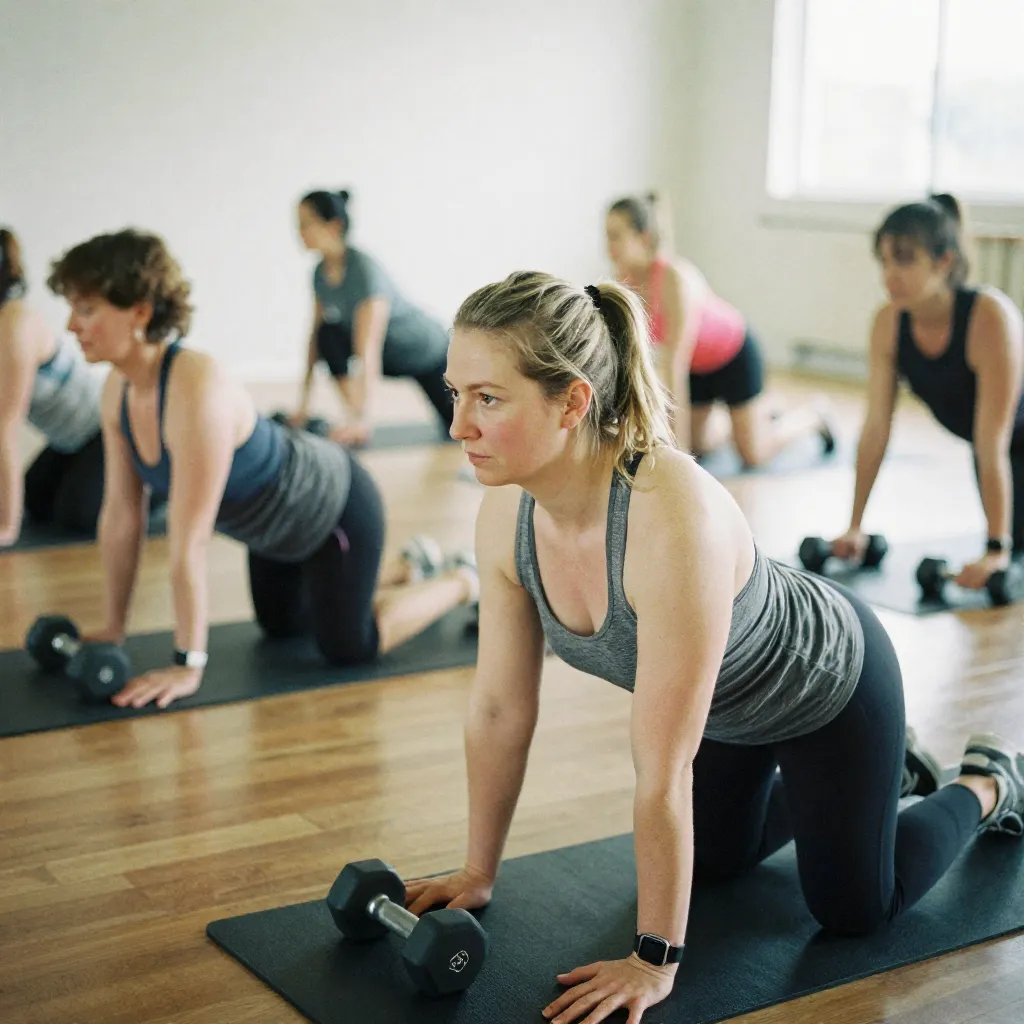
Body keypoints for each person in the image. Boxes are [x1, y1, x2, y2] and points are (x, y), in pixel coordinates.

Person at [403, 270, 1024, 1024]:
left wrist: (654, 960)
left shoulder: (670, 515)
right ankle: (889, 776)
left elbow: (661, 765)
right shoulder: (507, 518)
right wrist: (477, 871)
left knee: (856, 908)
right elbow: (501, 708)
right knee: (715, 866)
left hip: (827, 688)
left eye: (488, 398)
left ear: (571, 400)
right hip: (724, 712)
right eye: (456, 393)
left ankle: (985, 781)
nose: (458, 424)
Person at [46, 228, 478, 709]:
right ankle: (409, 567)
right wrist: (113, 627)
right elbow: (122, 516)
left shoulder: (195, 387)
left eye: (85, 310)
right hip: (273, 535)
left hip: (333, 507)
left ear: (140, 312)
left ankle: (462, 578)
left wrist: (188, 662)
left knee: (347, 645)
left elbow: (190, 540)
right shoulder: (118, 392)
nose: (70, 326)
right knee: (283, 627)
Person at [832, 194, 1024, 589]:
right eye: (883, 261)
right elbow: (875, 432)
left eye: (904, 259)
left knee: (1013, 548)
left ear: (944, 261)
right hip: (1003, 455)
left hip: (1000, 448)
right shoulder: (888, 323)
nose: (890, 275)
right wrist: (854, 527)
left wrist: (995, 550)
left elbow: (991, 443)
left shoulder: (990, 317)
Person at [605, 194, 833, 467]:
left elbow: (674, 365)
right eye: (607, 236)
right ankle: (760, 414)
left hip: (733, 356)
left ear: (642, 237)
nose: (609, 246)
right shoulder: (623, 281)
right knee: (700, 444)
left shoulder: (673, 277)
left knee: (753, 454)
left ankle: (814, 416)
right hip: (699, 368)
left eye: (615, 236)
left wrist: (679, 461)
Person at [290, 189, 453, 446]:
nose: (298, 232)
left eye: (305, 224)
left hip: (428, 352)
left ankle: (358, 419)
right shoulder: (319, 274)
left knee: (458, 429)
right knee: (328, 336)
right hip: (390, 355)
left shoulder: (365, 271)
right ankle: (354, 416)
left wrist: (365, 421)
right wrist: (302, 407)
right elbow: (315, 341)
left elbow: (368, 349)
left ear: (334, 226)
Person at [0, 227, 106, 544]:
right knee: (38, 506)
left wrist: (6, 529)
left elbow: (6, 426)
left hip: (104, 431)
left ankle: (158, 485)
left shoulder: (15, 323)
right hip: (67, 440)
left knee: (76, 519)